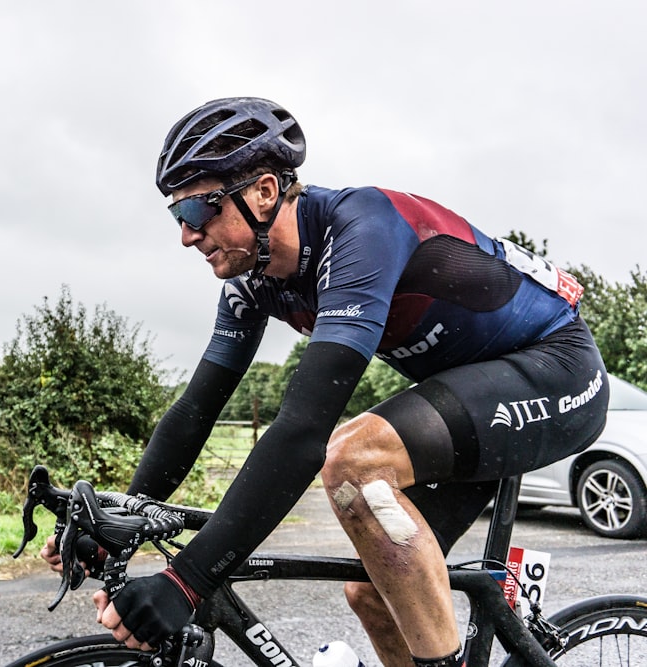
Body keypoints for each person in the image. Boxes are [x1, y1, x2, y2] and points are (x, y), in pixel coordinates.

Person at [41, 97, 609, 667]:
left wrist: (186, 581)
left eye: (195, 212)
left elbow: (303, 431)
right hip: (470, 401)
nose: (187, 236)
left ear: (264, 191)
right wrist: (124, 517)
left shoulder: (363, 227)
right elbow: (196, 411)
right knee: (378, 592)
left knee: (355, 460)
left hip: (555, 368)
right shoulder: (254, 281)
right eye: (177, 218)